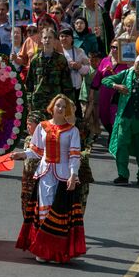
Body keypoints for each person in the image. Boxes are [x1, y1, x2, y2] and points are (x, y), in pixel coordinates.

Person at [11, 94, 86, 264]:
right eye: (57, 105)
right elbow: (36, 151)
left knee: (59, 213)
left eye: (63, 106)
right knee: (44, 211)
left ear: (67, 110)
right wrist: (21, 154)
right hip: (45, 174)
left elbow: (74, 156)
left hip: (64, 175)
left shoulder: (72, 130)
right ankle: (43, 250)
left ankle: (57, 252)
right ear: (52, 107)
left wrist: (73, 175)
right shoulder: (42, 127)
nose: (60, 108)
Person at [102, 55, 139, 186]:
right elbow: (106, 80)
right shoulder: (126, 74)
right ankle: (123, 175)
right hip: (125, 119)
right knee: (121, 146)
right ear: (134, 63)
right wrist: (117, 86)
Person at [26, 28, 75, 118]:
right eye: (45, 38)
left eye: (50, 37)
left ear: (55, 40)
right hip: (38, 103)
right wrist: (29, 102)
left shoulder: (61, 59)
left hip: (55, 103)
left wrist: (69, 103)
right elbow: (30, 84)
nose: (47, 40)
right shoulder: (35, 60)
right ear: (41, 40)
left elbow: (67, 84)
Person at [59, 28, 89, 118]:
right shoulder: (57, 51)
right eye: (62, 36)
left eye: (67, 36)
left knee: (76, 110)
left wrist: (79, 67)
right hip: (61, 85)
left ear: (72, 38)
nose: (64, 38)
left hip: (75, 86)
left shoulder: (79, 51)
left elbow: (87, 68)